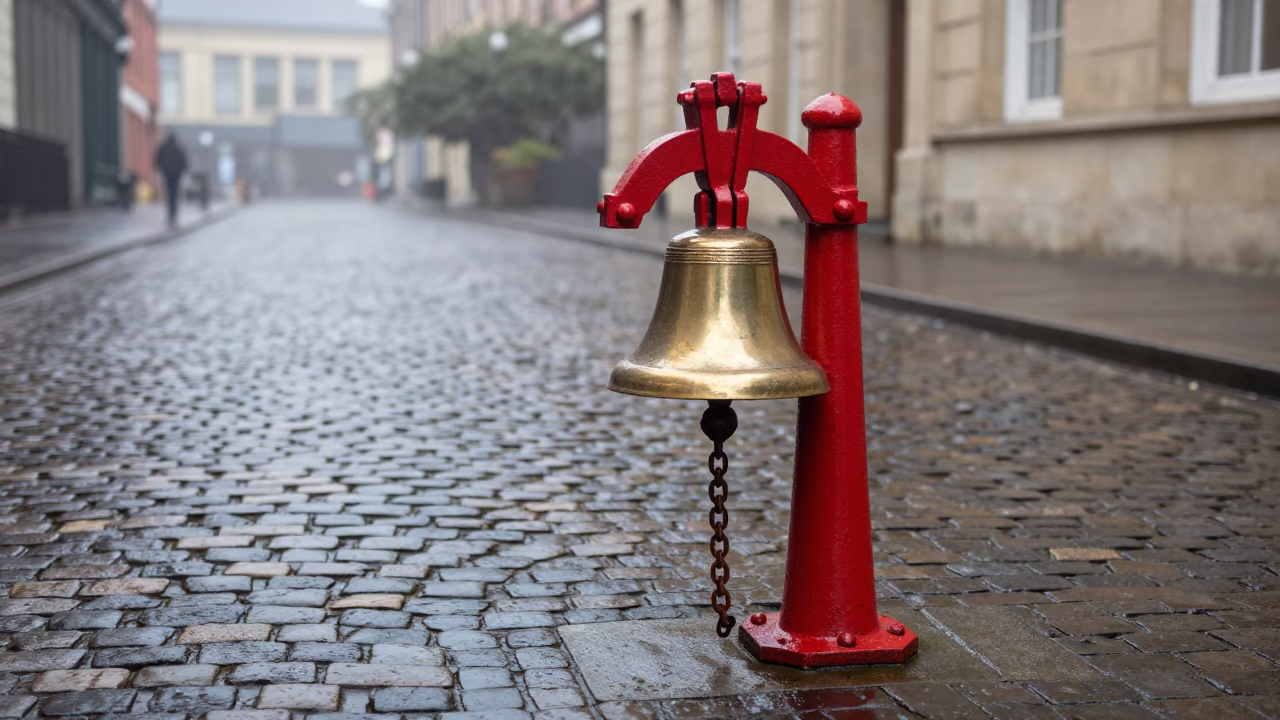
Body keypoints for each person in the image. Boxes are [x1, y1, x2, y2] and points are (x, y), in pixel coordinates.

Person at [154, 133, 189, 226]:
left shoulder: (164, 148)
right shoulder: (178, 149)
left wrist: (162, 169)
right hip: (176, 176)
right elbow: (184, 162)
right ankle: (174, 212)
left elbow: (158, 160)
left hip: (167, 175)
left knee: (169, 193)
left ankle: (171, 212)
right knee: (174, 193)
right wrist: (180, 171)